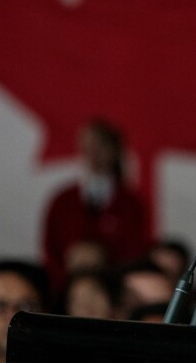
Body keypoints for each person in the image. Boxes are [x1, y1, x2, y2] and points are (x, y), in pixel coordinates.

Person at [41, 119, 149, 297]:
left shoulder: (130, 204)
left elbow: (137, 251)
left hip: (112, 293)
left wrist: (102, 259)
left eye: (100, 147)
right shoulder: (63, 200)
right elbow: (50, 249)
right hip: (65, 293)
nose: (94, 155)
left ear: (115, 151)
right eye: (88, 147)